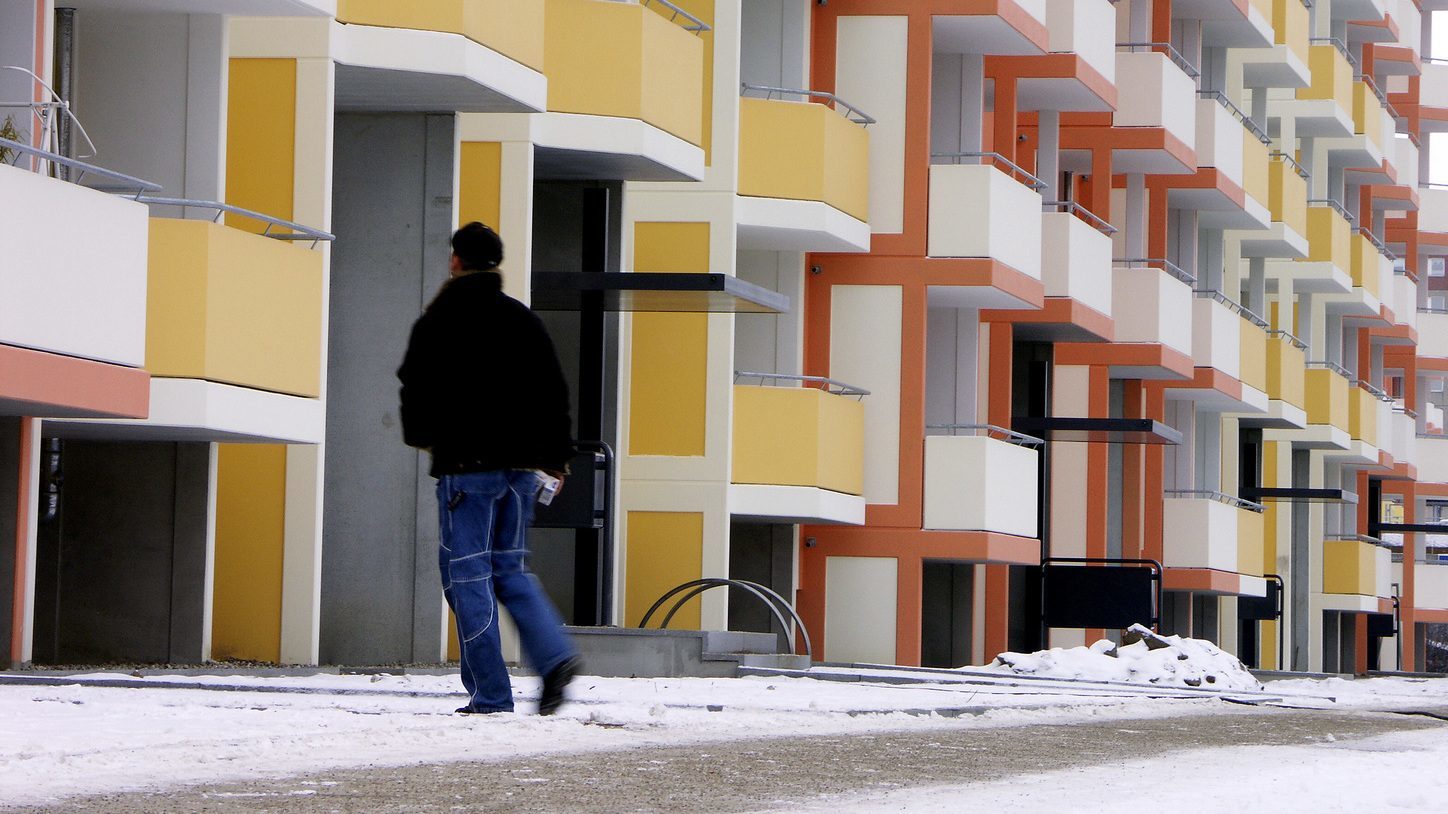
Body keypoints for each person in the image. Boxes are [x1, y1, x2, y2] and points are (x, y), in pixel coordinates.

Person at [397, 221, 582, 715]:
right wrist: (556, 459)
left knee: (468, 575)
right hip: (522, 471)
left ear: (456, 260)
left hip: (466, 468)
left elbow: (413, 387)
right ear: (496, 262)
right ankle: (555, 655)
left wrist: (426, 438)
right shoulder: (522, 320)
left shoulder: (439, 320)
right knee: (510, 568)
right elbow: (554, 392)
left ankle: (490, 695)